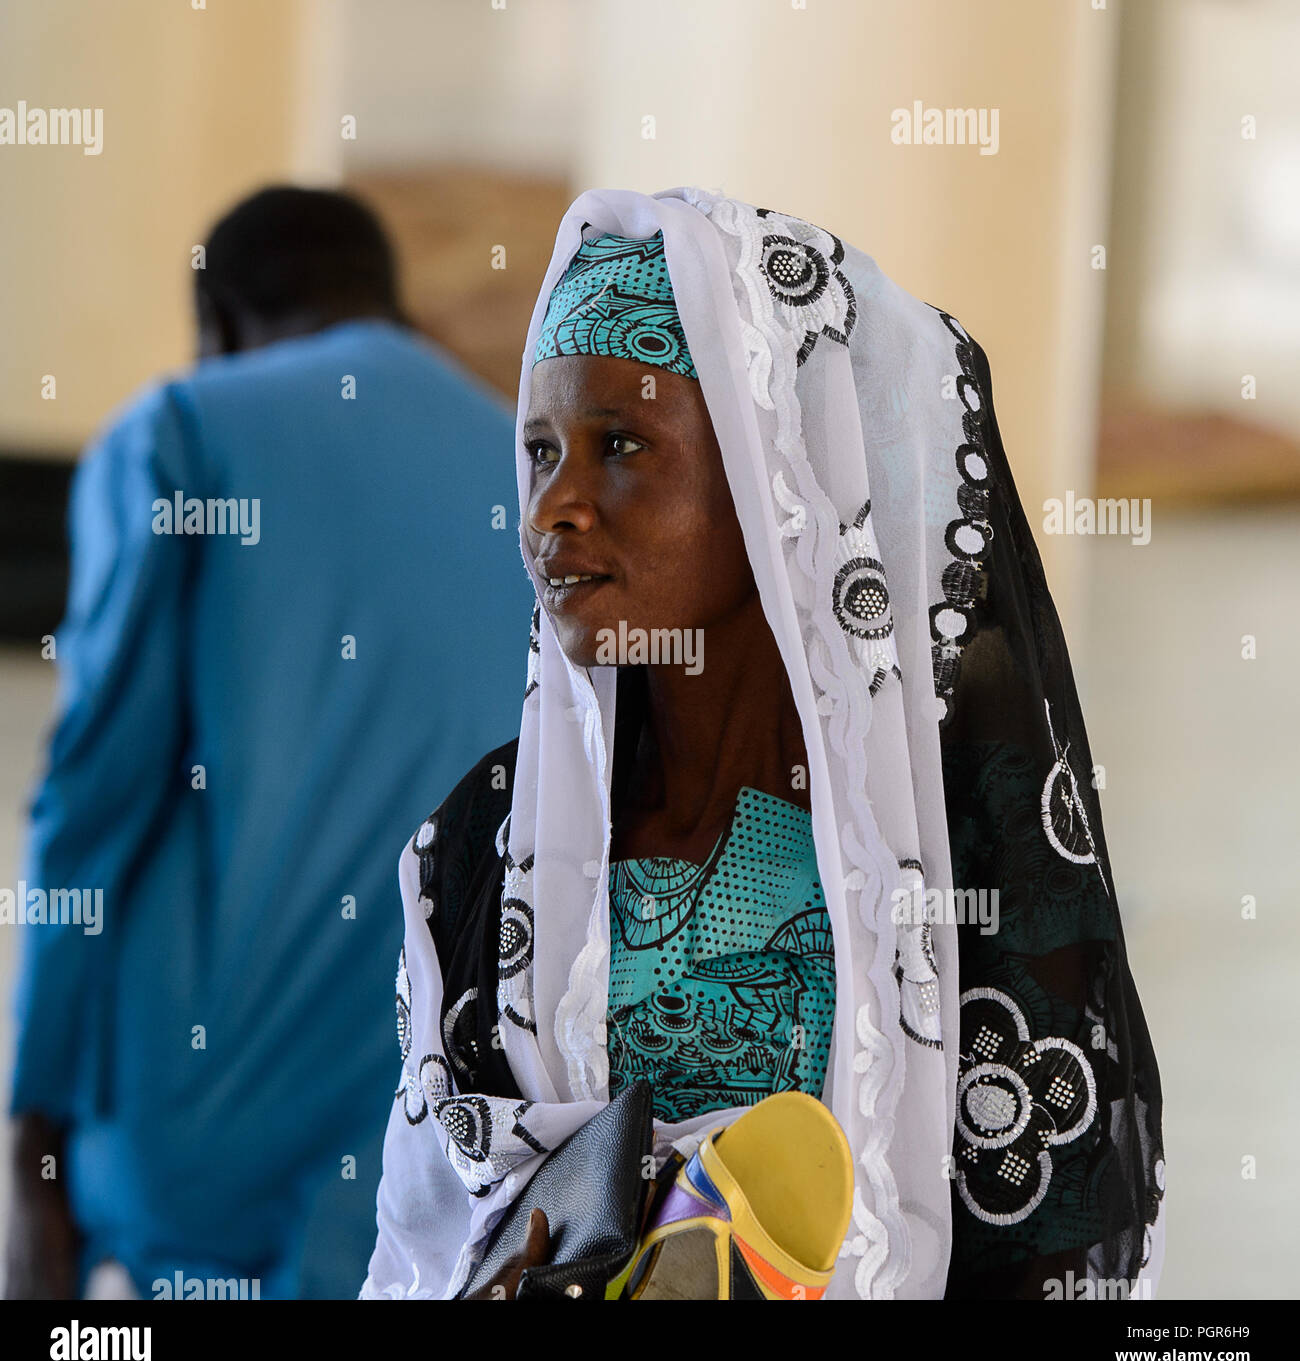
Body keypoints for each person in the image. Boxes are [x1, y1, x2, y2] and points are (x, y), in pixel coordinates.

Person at [361, 187, 1165, 1301]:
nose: (554, 508)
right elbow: (426, 1229)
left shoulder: (948, 839)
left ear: (775, 476)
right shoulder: (483, 839)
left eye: (622, 445)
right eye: (540, 451)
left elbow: (1047, 1222)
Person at [6, 187, 533, 1299]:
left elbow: (91, 794)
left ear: (220, 324)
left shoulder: (183, 428)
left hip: (188, 1141)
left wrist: (29, 1123)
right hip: (427, 1152)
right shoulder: (536, 476)